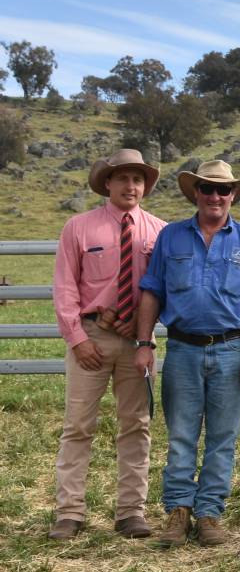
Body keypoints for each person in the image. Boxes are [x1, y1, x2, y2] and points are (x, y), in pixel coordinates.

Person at [134, 160, 240, 547]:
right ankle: (179, 510)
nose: (215, 196)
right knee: (180, 434)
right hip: (182, 347)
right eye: (207, 189)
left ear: (233, 196)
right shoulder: (171, 237)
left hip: (230, 349)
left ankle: (210, 511)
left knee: (223, 436)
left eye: (223, 190)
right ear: (195, 192)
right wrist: (144, 344)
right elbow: (152, 290)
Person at [49, 149, 167, 540]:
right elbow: (65, 287)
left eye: (137, 179)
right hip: (92, 337)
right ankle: (69, 512)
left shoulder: (160, 232)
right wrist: (77, 339)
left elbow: (166, 289)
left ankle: (131, 512)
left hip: (138, 341)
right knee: (78, 425)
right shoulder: (78, 228)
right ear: (107, 184)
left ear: (145, 186)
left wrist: (147, 336)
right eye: (123, 179)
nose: (130, 186)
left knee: (136, 425)